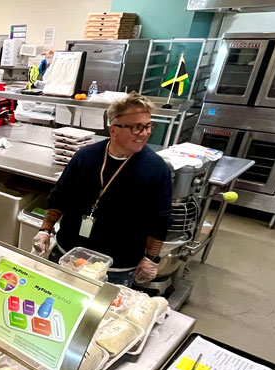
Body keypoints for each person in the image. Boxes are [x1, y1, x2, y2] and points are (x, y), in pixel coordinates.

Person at [33, 92, 172, 287]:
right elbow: (59, 196)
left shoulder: (156, 169)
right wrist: (45, 230)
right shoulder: (85, 156)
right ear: (114, 130)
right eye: (137, 127)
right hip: (67, 255)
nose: (144, 133)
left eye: (149, 126)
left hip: (117, 267)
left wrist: (151, 258)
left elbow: (159, 219)